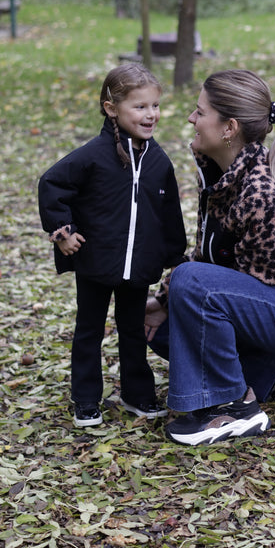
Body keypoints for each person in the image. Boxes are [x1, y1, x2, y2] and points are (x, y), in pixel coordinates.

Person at [145, 69, 275, 446]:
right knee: (161, 329)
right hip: (271, 299)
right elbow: (209, 252)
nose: (191, 118)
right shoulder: (219, 171)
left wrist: (184, 288)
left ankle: (236, 408)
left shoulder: (261, 192)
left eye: (200, 111)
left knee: (190, 284)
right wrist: (162, 301)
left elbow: (254, 285)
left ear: (229, 128)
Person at [38, 63, 187, 428]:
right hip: (96, 263)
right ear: (111, 108)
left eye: (154, 106)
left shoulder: (158, 161)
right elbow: (51, 185)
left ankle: (138, 393)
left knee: (134, 329)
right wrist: (63, 232)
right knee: (88, 330)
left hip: (138, 267)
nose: (150, 114)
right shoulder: (92, 156)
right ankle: (86, 399)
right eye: (139, 106)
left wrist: (173, 255)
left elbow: (168, 210)